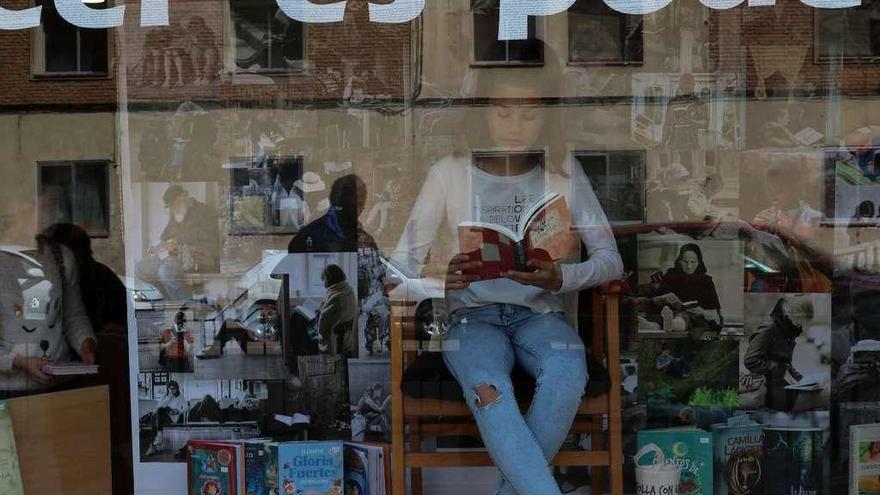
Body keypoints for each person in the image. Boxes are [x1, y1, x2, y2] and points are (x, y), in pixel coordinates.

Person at [390, 56, 623, 495]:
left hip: (541, 317)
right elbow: (396, 272)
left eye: (530, 112)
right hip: (471, 318)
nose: (516, 123)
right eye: (502, 110)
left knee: (567, 372)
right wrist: (440, 281)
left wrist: (561, 279)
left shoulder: (562, 170)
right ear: (482, 111)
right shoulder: (449, 172)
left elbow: (612, 260)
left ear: (545, 117)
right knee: (489, 388)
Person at [37, 223, 131, 493]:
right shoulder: (99, 274)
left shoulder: (93, 277)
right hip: (73, 371)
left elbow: (97, 322)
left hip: (91, 372)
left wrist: (91, 342)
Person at [0, 233, 97, 398]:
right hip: (6, 391)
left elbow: (73, 316)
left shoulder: (61, 257)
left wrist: (84, 344)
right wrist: (18, 362)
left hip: (59, 385)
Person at [136, 184, 220, 302]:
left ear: (184, 197)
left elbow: (208, 240)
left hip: (195, 257)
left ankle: (186, 305)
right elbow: (166, 237)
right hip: (172, 255)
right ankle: (169, 299)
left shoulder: (203, 212)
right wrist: (157, 249)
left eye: (175, 203)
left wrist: (178, 243)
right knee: (141, 267)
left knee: (166, 271)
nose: (173, 208)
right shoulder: (177, 214)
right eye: (171, 205)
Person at [743, 295, 813, 411]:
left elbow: (785, 362)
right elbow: (750, 360)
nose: (801, 325)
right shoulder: (770, 327)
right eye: (800, 321)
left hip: (779, 384)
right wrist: (778, 368)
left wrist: (801, 379)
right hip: (764, 388)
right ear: (790, 313)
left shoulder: (788, 328)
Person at [648, 243, 723, 335]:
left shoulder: (705, 280)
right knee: (657, 320)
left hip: (692, 319)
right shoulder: (670, 276)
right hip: (665, 313)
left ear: (699, 262)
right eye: (685, 261)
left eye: (693, 262)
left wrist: (702, 312)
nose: (689, 266)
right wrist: (663, 298)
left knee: (683, 318)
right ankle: (654, 325)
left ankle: (672, 324)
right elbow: (652, 301)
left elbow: (715, 314)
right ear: (679, 261)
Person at [197, 300, 278, 359]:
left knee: (229, 323)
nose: (262, 308)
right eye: (261, 307)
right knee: (231, 323)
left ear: (270, 306)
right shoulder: (264, 316)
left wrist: (255, 337)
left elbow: (272, 341)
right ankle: (216, 348)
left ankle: (215, 350)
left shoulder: (273, 318)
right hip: (253, 343)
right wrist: (248, 330)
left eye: (264, 306)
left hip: (258, 347)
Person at [316, 264, 358, 357]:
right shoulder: (347, 290)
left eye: (324, 279)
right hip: (346, 336)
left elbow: (323, 324)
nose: (323, 282)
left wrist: (318, 313)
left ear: (329, 279)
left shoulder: (337, 297)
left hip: (335, 339)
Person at [145, 380, 186, 456]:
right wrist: (169, 398)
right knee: (157, 412)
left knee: (156, 414)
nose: (171, 390)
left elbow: (186, 407)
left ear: (177, 388)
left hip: (172, 418)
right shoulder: (166, 395)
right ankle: (157, 438)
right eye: (170, 388)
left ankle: (153, 445)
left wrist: (178, 411)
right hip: (162, 417)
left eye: (173, 388)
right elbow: (158, 406)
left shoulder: (181, 396)